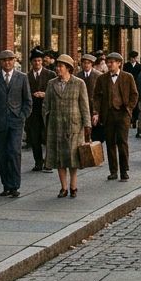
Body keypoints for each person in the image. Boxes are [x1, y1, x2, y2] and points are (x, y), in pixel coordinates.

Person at [0, 50, 30, 198]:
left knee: (14, 152)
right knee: (2, 153)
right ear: (0, 62)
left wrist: (22, 116)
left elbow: (28, 101)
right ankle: (6, 185)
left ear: (14, 61)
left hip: (16, 121)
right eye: (4, 60)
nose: (7, 63)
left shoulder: (22, 78)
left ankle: (15, 185)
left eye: (10, 60)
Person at [44, 55, 91, 198]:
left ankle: (73, 186)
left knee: (73, 157)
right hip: (56, 126)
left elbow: (84, 105)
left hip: (74, 127)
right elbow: (46, 104)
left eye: (61, 66)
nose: (58, 68)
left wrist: (87, 124)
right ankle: (63, 187)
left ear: (68, 68)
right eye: (57, 66)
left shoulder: (79, 83)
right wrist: (47, 121)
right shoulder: (51, 83)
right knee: (59, 157)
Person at [92, 52, 138, 181]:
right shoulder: (102, 78)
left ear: (119, 63)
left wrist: (129, 108)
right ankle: (113, 171)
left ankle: (124, 171)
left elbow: (134, 94)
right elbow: (96, 96)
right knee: (110, 143)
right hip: (108, 114)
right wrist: (96, 112)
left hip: (123, 114)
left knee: (122, 143)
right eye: (108, 62)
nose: (109, 64)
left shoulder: (128, 77)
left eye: (112, 62)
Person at [25, 49, 54, 172]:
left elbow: (55, 92)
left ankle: (48, 162)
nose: (37, 63)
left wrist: (44, 94)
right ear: (31, 62)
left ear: (42, 62)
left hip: (47, 110)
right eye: (35, 61)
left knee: (48, 137)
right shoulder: (26, 76)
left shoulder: (50, 75)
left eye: (39, 61)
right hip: (33, 112)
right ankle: (38, 162)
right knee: (35, 138)